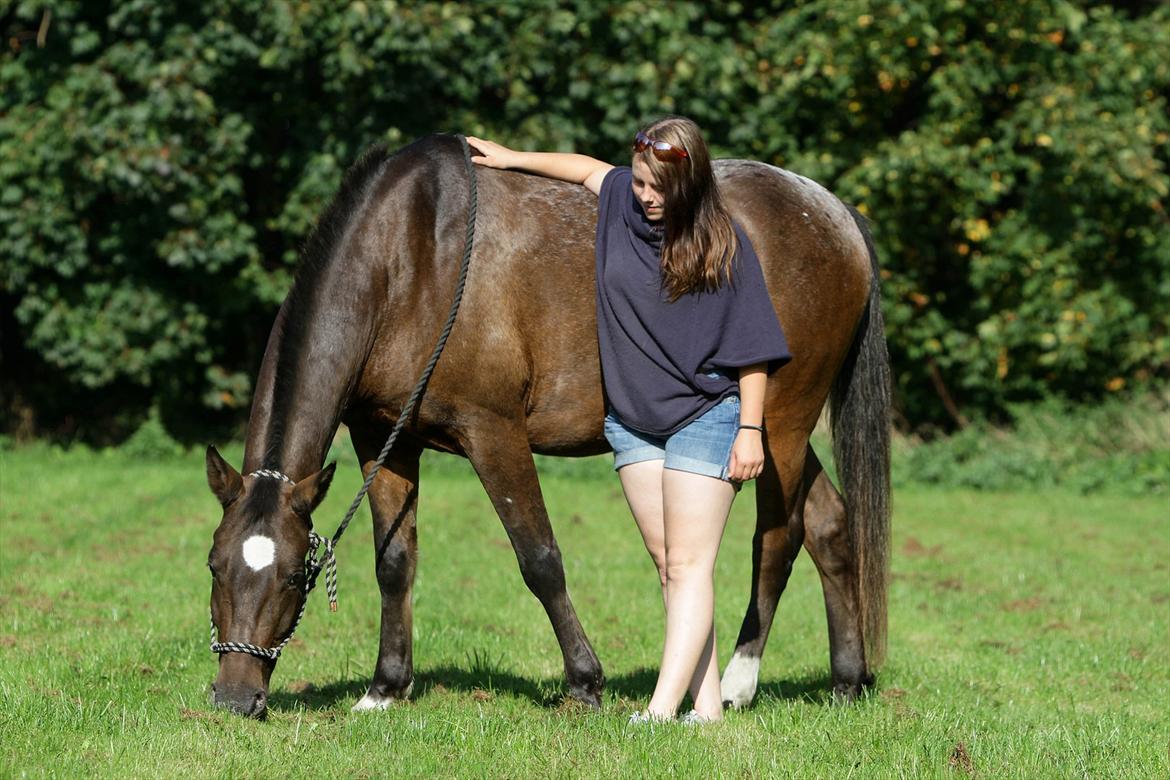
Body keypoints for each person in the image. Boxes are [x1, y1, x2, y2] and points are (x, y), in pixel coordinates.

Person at [467, 116, 790, 724]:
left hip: (706, 414)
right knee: (670, 564)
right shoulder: (621, 200)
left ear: (689, 187)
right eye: (641, 182)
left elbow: (753, 348)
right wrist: (512, 157)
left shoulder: (724, 242)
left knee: (692, 565)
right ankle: (708, 708)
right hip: (634, 422)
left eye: (659, 189)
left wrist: (751, 430)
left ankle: (661, 711)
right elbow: (588, 169)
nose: (646, 196)